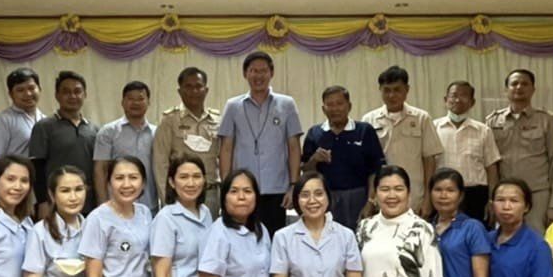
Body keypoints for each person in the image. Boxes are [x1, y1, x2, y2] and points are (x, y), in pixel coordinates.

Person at [218, 51, 302, 234]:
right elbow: (226, 149)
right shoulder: (233, 106)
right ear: (245, 73)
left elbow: (294, 147)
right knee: (242, 237)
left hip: (277, 188)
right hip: (243, 189)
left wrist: (293, 185)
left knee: (274, 238)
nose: (258, 76)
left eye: (263, 71)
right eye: (253, 71)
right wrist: (226, 188)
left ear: (272, 73)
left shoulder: (287, 104)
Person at [485, 69, 553, 232]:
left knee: (536, 238)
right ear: (506, 90)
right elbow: (489, 164)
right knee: (505, 238)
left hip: (537, 195)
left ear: (533, 89)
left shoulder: (546, 120)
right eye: (514, 84)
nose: (519, 87)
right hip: (505, 195)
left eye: (524, 84)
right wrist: (491, 199)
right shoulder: (493, 121)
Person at [361, 67, 443, 215]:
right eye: (386, 90)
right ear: (380, 90)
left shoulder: (421, 118)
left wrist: (428, 199)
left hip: (414, 197)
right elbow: (368, 165)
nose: (391, 95)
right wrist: (371, 200)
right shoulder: (369, 120)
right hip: (382, 198)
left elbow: (429, 160)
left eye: (397, 90)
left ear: (407, 90)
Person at [301, 85, 385, 229]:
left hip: (359, 197)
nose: (335, 109)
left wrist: (371, 201)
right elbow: (306, 171)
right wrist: (314, 160)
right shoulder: (314, 133)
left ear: (349, 106)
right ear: (323, 109)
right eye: (330, 105)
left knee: (360, 237)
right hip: (326, 199)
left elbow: (375, 171)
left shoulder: (364, 130)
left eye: (339, 103)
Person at [152, 66, 222, 214]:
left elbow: (224, 159)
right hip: (180, 194)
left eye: (198, 86)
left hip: (211, 193)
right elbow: (160, 162)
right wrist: (167, 200)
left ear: (206, 90)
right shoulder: (169, 120)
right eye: (188, 87)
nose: (194, 91)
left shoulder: (217, 120)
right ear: (180, 91)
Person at [29, 70, 98, 214]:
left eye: (77, 91)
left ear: (85, 94)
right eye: (66, 92)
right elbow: (37, 168)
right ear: (57, 95)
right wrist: (42, 202)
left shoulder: (95, 130)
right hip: (54, 204)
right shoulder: (44, 127)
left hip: (89, 204)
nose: (72, 96)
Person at [433, 82, 500, 221]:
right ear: (445, 100)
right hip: (442, 194)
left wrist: (492, 200)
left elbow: (491, 167)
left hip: (475, 195)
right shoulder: (433, 128)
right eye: (453, 96)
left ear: (472, 102)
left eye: (464, 96)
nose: (458, 100)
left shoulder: (483, 130)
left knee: (476, 231)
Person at [94, 80, 158, 211]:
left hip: (150, 205)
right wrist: (103, 205)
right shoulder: (108, 132)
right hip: (116, 205)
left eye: (140, 99)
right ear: (122, 102)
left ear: (149, 102)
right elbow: (100, 170)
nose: (136, 103)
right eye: (130, 99)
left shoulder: (157, 133)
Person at [0, 67, 44, 176]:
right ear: (11, 94)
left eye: (31, 88)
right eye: (20, 90)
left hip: (39, 182)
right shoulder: (2, 121)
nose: (28, 93)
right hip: (14, 181)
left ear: (39, 89)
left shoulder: (45, 120)